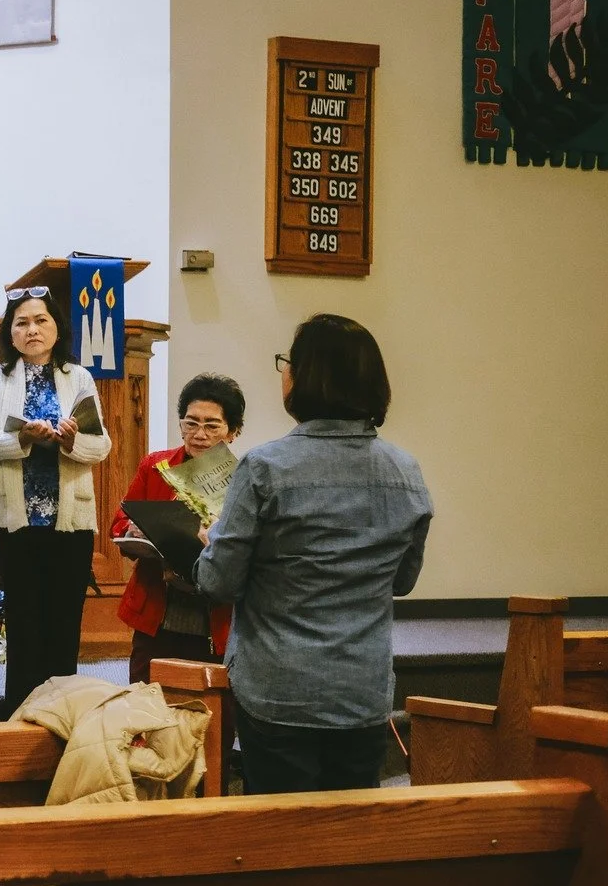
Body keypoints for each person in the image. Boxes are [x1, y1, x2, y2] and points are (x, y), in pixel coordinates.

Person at [194, 315, 431, 794]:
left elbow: (216, 582)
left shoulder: (265, 467)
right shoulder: (406, 471)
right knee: (347, 843)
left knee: (281, 842)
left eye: (289, 363)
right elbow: (402, 581)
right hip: (361, 690)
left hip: (279, 690)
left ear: (305, 379)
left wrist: (214, 540)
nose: (284, 372)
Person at [0, 286, 111, 713]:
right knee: (25, 624)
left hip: (69, 522)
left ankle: (63, 717)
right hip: (17, 521)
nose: (32, 329)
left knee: (65, 624)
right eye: (22, 322)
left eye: (41, 320)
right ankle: (20, 719)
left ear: (56, 327)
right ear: (10, 333)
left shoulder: (78, 377)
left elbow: (101, 445)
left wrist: (71, 441)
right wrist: (23, 437)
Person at [111, 373, 245, 683]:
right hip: (158, 606)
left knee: (209, 716)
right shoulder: (155, 467)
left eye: (212, 426)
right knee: (147, 705)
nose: (199, 434)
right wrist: (135, 529)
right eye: (191, 423)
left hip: (214, 616)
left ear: (233, 432)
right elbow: (118, 522)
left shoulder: (244, 479)